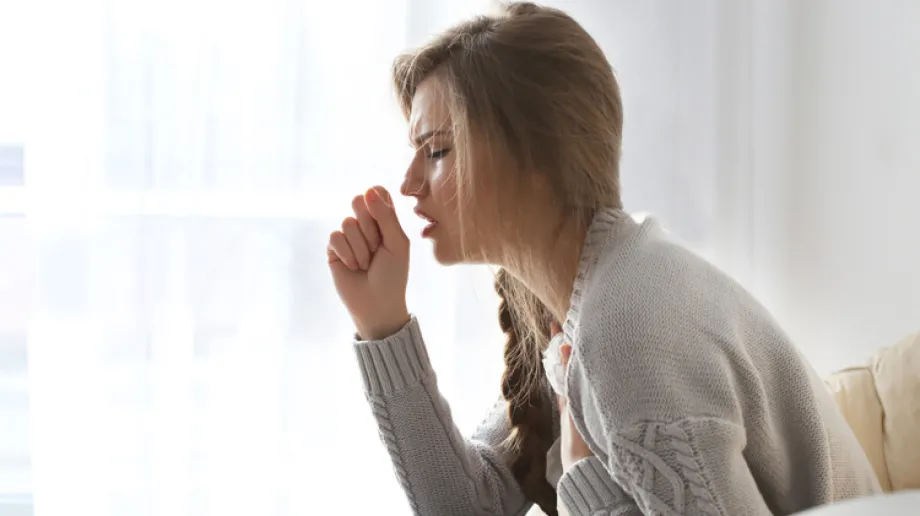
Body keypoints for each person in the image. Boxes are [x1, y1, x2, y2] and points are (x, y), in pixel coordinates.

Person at [326, 3, 881, 515]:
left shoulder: (626, 329)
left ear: (538, 153)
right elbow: (467, 507)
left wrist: (583, 478)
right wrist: (383, 326)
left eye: (438, 151)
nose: (409, 184)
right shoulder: (588, 298)